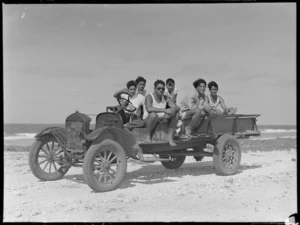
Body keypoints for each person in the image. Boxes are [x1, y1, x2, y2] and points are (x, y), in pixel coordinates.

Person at [143, 80, 180, 146]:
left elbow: (177, 108)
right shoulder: (149, 96)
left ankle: (170, 137)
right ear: (154, 89)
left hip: (161, 119)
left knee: (176, 113)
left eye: (163, 88)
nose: (161, 90)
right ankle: (148, 136)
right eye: (159, 88)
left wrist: (171, 110)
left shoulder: (165, 97)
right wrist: (165, 110)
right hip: (148, 120)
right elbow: (149, 109)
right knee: (153, 115)